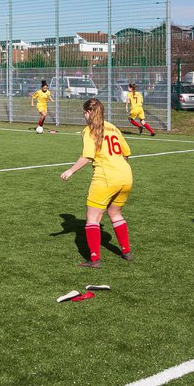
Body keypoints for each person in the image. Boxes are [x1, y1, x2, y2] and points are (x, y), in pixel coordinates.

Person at [61, 98, 133, 268]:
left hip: (106, 177)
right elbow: (127, 152)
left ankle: (94, 259)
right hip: (126, 175)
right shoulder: (113, 127)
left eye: (84, 113)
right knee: (115, 213)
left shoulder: (89, 130)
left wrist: (70, 171)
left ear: (88, 112)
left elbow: (87, 156)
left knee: (93, 218)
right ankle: (126, 251)